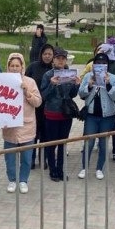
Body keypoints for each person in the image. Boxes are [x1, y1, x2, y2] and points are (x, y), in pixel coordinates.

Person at [2, 53, 42, 194]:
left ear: (22, 67)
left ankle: (23, 180)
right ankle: (12, 180)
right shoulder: (3, 81)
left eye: (17, 66)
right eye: (12, 65)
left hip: (27, 126)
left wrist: (27, 93)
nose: (14, 68)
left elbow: (38, 102)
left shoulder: (30, 82)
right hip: (10, 127)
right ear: (8, 67)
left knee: (26, 157)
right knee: (10, 158)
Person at [40, 48, 81, 182]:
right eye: (58, 58)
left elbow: (72, 94)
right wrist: (51, 84)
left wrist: (77, 85)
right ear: (54, 59)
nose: (61, 61)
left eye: (63, 58)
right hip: (52, 113)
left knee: (63, 143)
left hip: (66, 114)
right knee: (52, 143)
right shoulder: (48, 75)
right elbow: (43, 96)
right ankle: (52, 170)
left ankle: (61, 170)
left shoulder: (70, 74)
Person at [78, 51, 115, 180]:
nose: (101, 65)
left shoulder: (113, 78)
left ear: (108, 65)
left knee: (103, 143)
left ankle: (99, 168)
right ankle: (84, 168)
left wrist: (108, 84)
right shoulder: (88, 76)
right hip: (91, 115)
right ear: (94, 64)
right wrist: (89, 85)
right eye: (98, 63)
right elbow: (81, 94)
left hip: (107, 116)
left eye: (104, 63)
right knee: (89, 142)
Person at [26, 44, 54, 169]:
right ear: (41, 55)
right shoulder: (33, 67)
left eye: (50, 54)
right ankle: (30, 159)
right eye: (45, 54)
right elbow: (25, 81)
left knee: (45, 135)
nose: (47, 56)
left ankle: (43, 159)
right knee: (33, 134)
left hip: (49, 107)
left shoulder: (56, 69)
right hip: (34, 106)